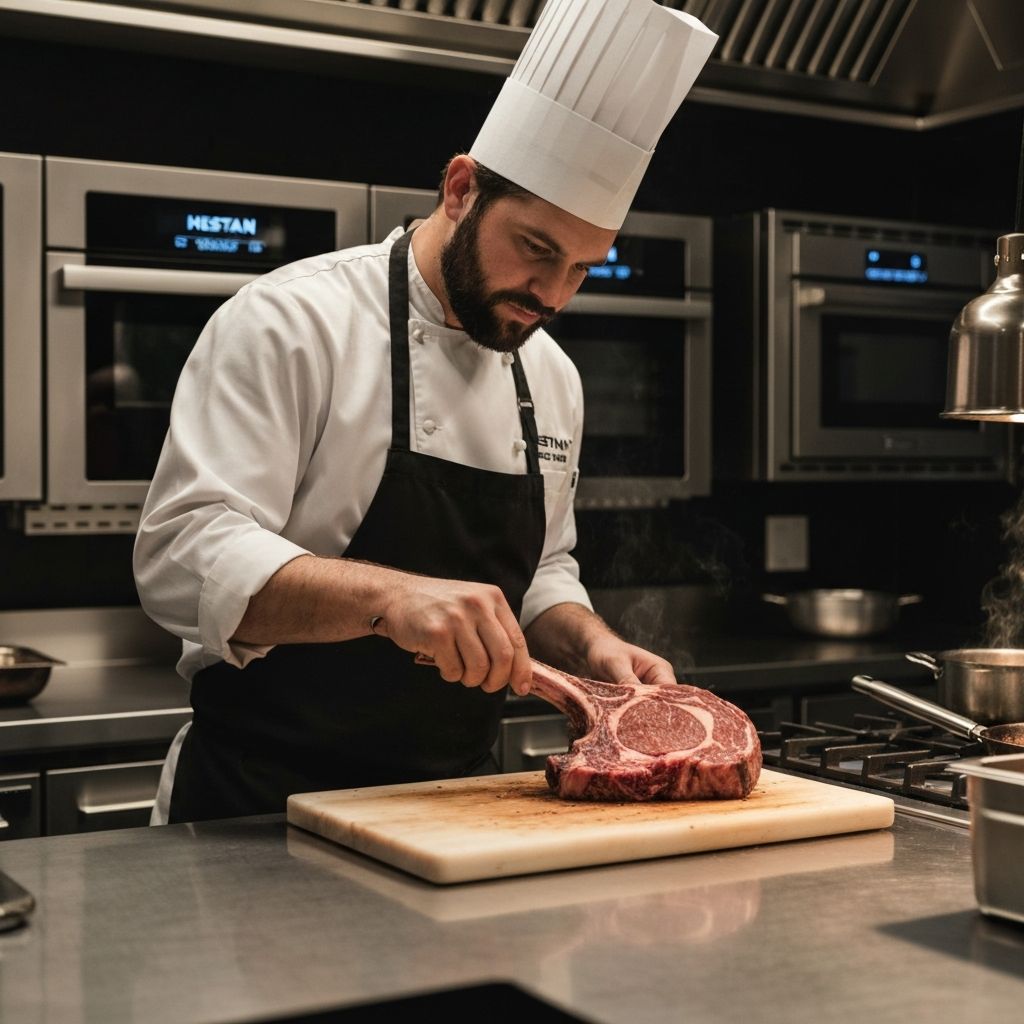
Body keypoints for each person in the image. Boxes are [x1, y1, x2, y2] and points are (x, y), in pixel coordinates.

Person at [134, 0, 718, 824]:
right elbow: (182, 556)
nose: (551, 297)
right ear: (460, 188)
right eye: (538, 250)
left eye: (583, 269)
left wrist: (590, 644)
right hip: (259, 807)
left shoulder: (550, 373)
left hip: (455, 811)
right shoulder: (291, 322)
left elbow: (544, 569)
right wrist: (390, 599)